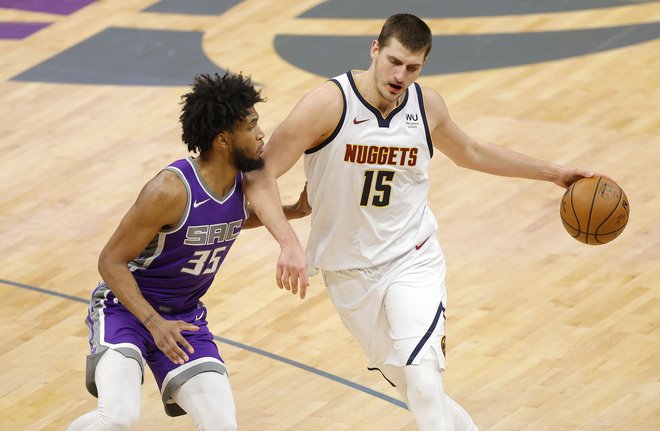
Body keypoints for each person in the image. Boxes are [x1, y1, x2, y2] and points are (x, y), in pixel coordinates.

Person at [243, 13, 597, 431]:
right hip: (348, 271)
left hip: (413, 260)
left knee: (425, 385)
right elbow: (259, 174)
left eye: (413, 68)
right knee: (416, 391)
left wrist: (555, 173)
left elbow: (472, 152)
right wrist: (288, 242)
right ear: (375, 50)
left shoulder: (425, 106)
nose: (400, 75)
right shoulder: (328, 104)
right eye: (394, 61)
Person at [67, 72, 311, 431]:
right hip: (127, 312)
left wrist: (294, 210)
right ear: (224, 140)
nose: (262, 134)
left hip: (184, 318)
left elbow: (231, 218)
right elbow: (110, 261)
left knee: (221, 425)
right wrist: (154, 323)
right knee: (118, 417)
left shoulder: (242, 187)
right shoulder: (169, 190)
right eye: (252, 125)